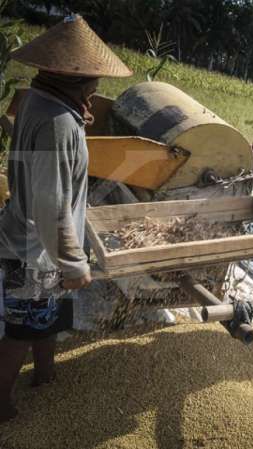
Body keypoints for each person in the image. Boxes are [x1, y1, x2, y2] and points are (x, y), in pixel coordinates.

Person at [0, 15, 132, 422]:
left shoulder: (37, 101)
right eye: (93, 80)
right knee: (21, 328)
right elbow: (50, 201)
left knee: (48, 317)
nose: (97, 87)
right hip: (35, 251)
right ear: (74, 77)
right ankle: (2, 401)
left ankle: (45, 375)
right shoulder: (59, 124)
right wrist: (73, 261)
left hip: (41, 244)